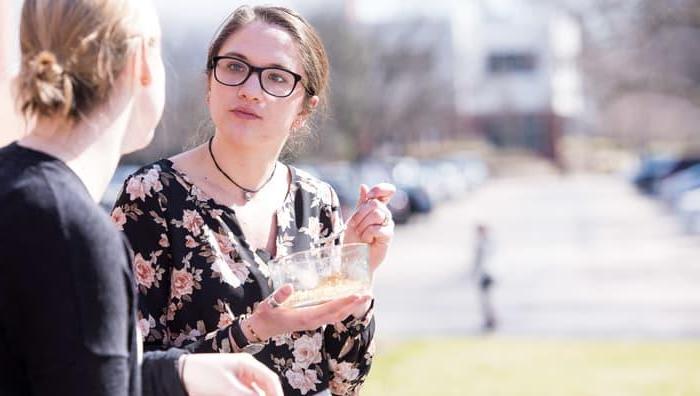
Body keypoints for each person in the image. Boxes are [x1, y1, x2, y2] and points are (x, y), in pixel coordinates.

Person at [0, 1, 283, 395]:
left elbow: (65, 369)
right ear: (140, 63)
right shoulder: (72, 232)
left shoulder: (18, 192)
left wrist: (178, 372)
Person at [112, 5, 396, 396]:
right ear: (209, 81)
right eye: (234, 67)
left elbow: (347, 381)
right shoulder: (153, 195)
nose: (250, 88)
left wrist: (357, 271)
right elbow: (129, 372)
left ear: (304, 108)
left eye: (277, 77)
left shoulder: (317, 203)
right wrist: (253, 330)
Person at [471, 224, 497, 331]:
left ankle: (491, 320)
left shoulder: (486, 243)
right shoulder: (483, 242)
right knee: (485, 300)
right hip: (483, 274)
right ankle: (489, 319)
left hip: (487, 274)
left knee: (487, 300)